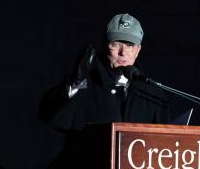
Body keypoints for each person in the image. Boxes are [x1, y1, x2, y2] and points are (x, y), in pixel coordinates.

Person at [39, 13, 170, 132]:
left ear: (138, 50)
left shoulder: (151, 93)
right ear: (104, 45)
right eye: (116, 44)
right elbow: (50, 117)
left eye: (129, 46)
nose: (123, 53)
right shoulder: (83, 84)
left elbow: (164, 143)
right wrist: (75, 83)